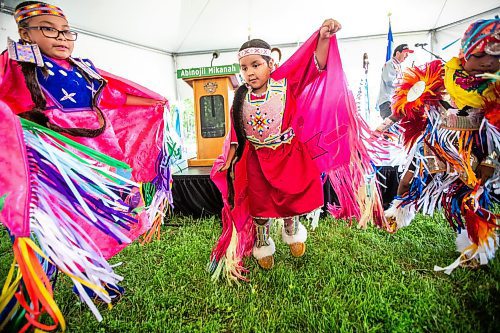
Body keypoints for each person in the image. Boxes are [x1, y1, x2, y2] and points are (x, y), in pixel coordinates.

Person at [0, 2, 177, 331]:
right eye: (49, 29)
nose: (62, 37)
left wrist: (153, 102)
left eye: (66, 31)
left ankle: (96, 280)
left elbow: (112, 98)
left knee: (96, 219)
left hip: (97, 158)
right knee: (49, 227)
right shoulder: (15, 65)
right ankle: (33, 298)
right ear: (24, 33)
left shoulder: (82, 68)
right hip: (51, 164)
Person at [209, 19, 387, 282]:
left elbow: (314, 63)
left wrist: (323, 37)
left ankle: (292, 227)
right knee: (259, 204)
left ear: (271, 65)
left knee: (291, 197)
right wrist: (231, 158)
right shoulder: (240, 96)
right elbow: (236, 131)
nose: (250, 72)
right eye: (244, 68)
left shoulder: (285, 83)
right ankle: (262, 241)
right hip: (257, 158)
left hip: (288, 154)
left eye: (256, 65)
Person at [383, 17, 499, 272]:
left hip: (469, 154)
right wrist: (387, 123)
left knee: (473, 199)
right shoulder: (439, 74)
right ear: (465, 51)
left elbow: (496, 130)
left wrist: (490, 160)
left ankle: (476, 248)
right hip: (433, 145)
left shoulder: (494, 90)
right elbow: (408, 103)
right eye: (480, 55)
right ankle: (398, 212)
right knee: (408, 180)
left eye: (496, 56)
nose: (489, 62)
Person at [376, 43, 414, 119]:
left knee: (396, 128)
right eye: (405, 53)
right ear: (397, 53)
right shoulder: (389, 64)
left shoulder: (398, 66)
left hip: (394, 101)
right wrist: (405, 82)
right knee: (390, 127)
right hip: (387, 102)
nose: (407, 56)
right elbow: (389, 81)